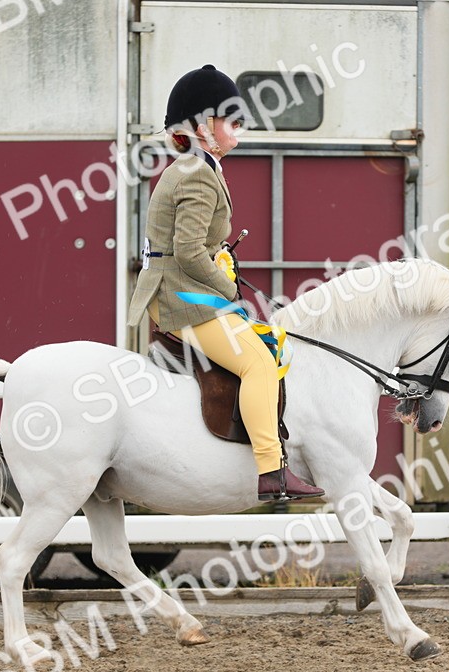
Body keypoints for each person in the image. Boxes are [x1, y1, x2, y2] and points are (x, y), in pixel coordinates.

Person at [127, 65, 324, 502]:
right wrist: (228, 288)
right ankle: (271, 470)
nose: (239, 127)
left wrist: (221, 260)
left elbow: (195, 245)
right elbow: (188, 251)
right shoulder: (196, 174)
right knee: (259, 362)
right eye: (231, 119)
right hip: (181, 297)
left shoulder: (197, 167)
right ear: (202, 127)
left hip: (181, 287)